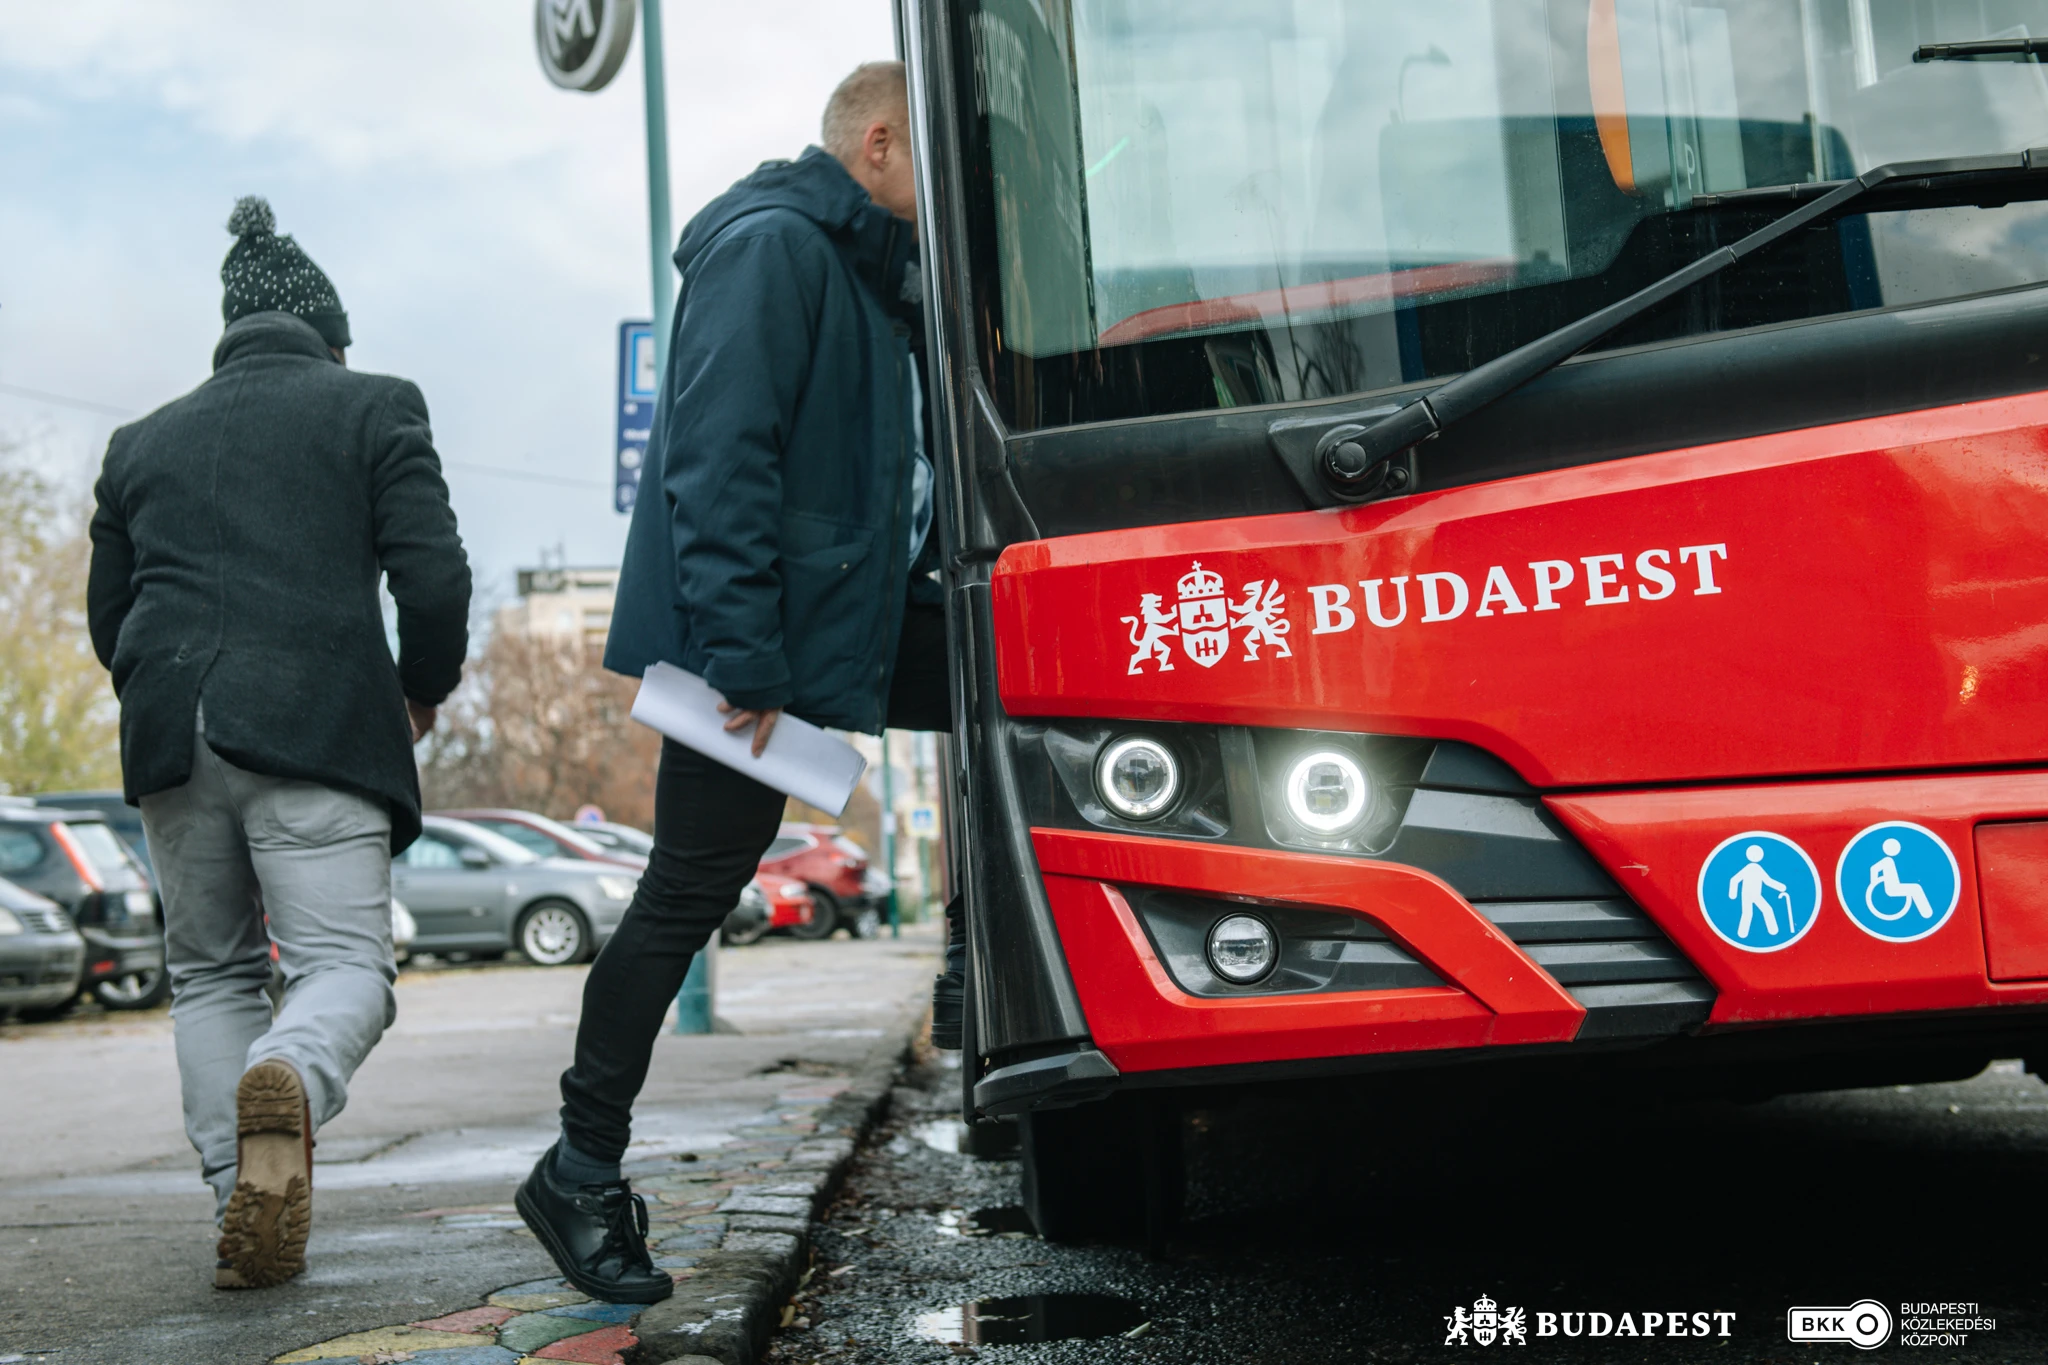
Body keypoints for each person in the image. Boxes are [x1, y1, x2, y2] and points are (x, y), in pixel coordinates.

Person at [516, 61, 952, 1304]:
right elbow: (717, 461)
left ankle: (999, 977)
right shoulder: (772, 248)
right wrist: (743, 654)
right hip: (758, 640)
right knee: (688, 888)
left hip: (852, 613)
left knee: (1028, 686)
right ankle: (579, 1169)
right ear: (877, 145)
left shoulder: (873, 274)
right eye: (933, 168)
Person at [86, 197, 471, 1290]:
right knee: (344, 966)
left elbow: (108, 618)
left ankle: (242, 1193)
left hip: (169, 733)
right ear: (331, 338)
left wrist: (167, 685)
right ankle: (290, 1078)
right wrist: (421, 690)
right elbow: (433, 577)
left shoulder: (139, 442)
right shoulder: (373, 405)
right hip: (315, 729)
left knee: (208, 975)